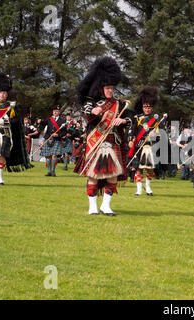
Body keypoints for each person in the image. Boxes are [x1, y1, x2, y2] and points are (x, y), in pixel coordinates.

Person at [74, 56, 131, 216]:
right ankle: (93, 207)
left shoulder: (119, 104)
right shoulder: (92, 102)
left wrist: (123, 120)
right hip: (96, 144)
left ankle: (106, 206)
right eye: (107, 88)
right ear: (101, 88)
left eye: (112, 88)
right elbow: (85, 112)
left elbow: (130, 120)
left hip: (113, 144)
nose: (110, 91)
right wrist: (92, 111)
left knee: (112, 177)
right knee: (94, 176)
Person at [127, 86, 162, 196]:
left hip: (151, 145)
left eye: (149, 107)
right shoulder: (137, 118)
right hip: (139, 145)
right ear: (143, 107)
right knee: (139, 168)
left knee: (150, 169)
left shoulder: (156, 120)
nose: (147, 109)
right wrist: (130, 140)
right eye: (145, 107)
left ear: (151, 108)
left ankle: (148, 186)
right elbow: (132, 131)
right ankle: (139, 189)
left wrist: (155, 134)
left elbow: (161, 133)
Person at [37, 106, 66, 176]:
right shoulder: (49, 119)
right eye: (54, 111)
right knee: (48, 156)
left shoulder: (62, 121)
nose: (55, 112)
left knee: (54, 155)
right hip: (48, 138)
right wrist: (40, 121)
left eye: (56, 111)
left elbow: (64, 132)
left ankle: (53, 171)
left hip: (56, 139)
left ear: (59, 112)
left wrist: (58, 135)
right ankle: (49, 171)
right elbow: (43, 123)